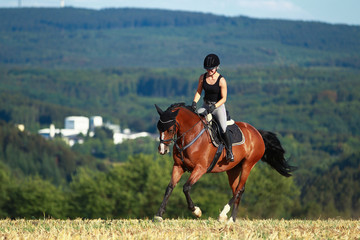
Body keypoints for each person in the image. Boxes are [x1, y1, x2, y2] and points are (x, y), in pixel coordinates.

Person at [191, 53, 234, 162]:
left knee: (223, 128)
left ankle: (230, 152)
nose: (209, 71)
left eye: (211, 69)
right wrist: (194, 102)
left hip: (218, 106)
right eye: (207, 69)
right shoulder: (202, 77)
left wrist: (214, 106)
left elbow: (224, 98)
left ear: (217, 67)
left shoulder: (221, 80)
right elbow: (198, 92)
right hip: (205, 105)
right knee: (195, 121)